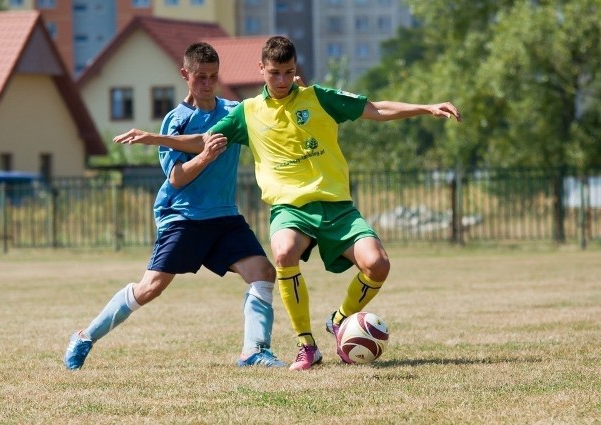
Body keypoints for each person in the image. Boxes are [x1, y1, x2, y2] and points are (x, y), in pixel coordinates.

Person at [114, 36, 462, 371]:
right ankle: (306, 345)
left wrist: (426, 108)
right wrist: (153, 139)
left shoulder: (320, 98)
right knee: (282, 254)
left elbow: (375, 108)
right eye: (274, 72)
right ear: (261, 69)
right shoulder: (247, 112)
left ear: (296, 70)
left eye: (288, 72)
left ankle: (338, 321)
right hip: (290, 209)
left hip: (337, 206)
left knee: (379, 265)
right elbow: (203, 140)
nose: (282, 80)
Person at [64, 42, 286, 370]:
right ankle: (84, 337)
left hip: (224, 216)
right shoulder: (176, 120)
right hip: (183, 216)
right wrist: (206, 155)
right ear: (185, 74)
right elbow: (178, 178)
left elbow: (268, 111)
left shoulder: (233, 112)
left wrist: (290, 92)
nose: (208, 83)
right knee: (151, 287)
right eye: (201, 77)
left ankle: (253, 351)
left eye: (213, 76)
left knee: (263, 273)